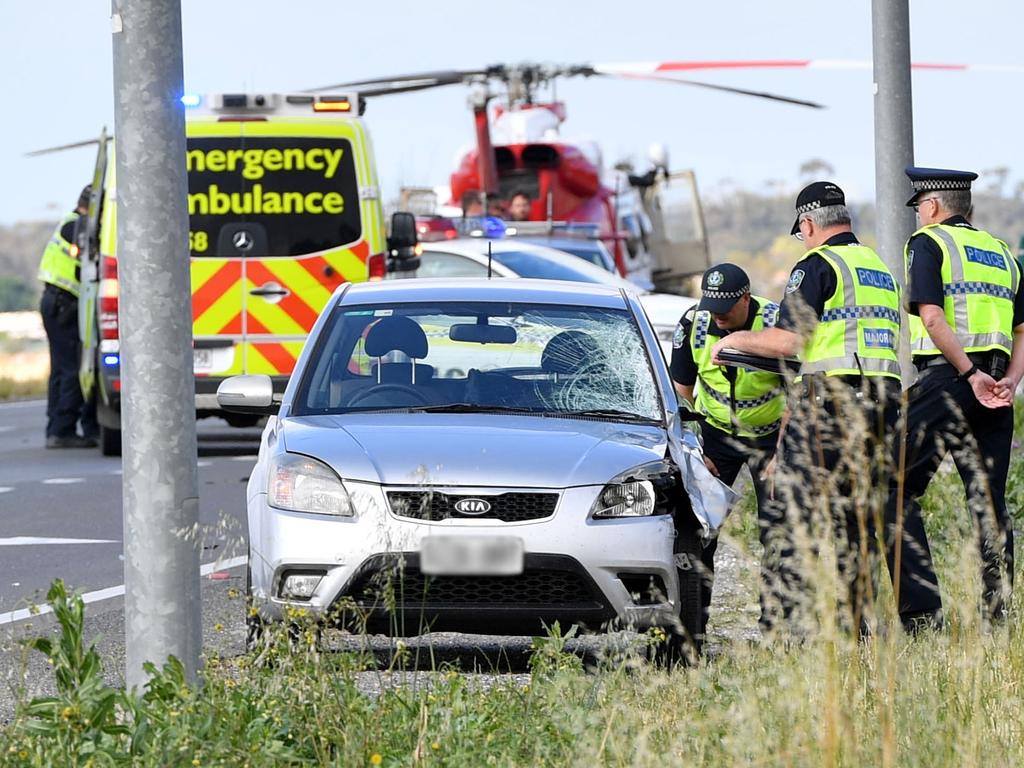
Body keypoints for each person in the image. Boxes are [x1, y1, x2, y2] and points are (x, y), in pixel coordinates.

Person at [712, 182, 902, 635]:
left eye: (801, 232)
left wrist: (734, 340)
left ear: (809, 223)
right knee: (856, 520)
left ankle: (786, 629)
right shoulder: (878, 267)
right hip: (882, 406)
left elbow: (792, 340)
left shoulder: (817, 265)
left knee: (793, 515)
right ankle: (858, 626)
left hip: (831, 405)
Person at [885, 167, 1023, 630]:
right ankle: (999, 616)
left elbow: (932, 317)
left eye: (920, 207)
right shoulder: (1002, 252)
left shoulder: (929, 243)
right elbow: (1022, 331)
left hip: (949, 379)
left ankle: (923, 617)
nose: (920, 216)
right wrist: (1008, 382)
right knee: (989, 502)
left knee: (890, 487)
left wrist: (968, 374)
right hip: (997, 389)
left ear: (933, 206)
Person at [669, 263, 793, 637]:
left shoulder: (776, 321)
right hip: (715, 434)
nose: (717, 317)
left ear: (746, 298)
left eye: (725, 309)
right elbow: (680, 391)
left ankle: (778, 630)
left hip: (771, 434)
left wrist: (784, 451)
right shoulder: (694, 322)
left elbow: (799, 390)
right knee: (699, 529)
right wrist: (692, 447)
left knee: (781, 530)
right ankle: (693, 630)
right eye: (711, 308)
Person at [38, 185, 96, 448]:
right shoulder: (76, 226)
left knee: (61, 369)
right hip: (63, 305)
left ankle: (57, 426)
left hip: (57, 303)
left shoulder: (70, 223)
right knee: (71, 368)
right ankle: (62, 430)